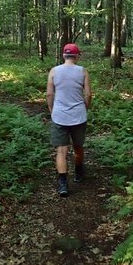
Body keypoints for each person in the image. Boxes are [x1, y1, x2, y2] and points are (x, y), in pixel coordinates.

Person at [47, 43, 92, 197]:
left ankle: (63, 183)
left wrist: (52, 109)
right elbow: (87, 95)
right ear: (77, 56)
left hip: (59, 116)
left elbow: (49, 94)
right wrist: (85, 108)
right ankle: (78, 171)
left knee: (61, 150)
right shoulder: (82, 71)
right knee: (78, 146)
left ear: (63, 55)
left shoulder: (54, 71)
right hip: (78, 115)